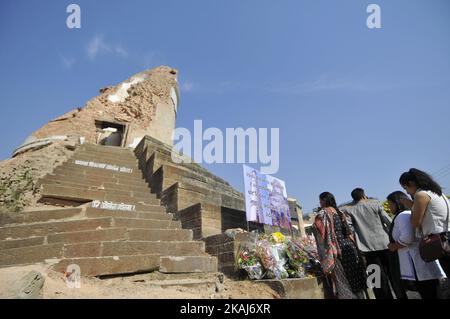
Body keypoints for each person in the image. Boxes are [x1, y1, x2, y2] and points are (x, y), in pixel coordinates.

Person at [386, 191, 446, 299]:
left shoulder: (403, 216)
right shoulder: (409, 213)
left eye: (390, 204)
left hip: (415, 261)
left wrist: (394, 246)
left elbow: (408, 237)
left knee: (428, 291)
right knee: (432, 289)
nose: (389, 207)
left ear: (396, 203)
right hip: (422, 258)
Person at [341, 188, 396, 299]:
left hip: (367, 248)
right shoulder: (375, 204)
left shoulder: (350, 210)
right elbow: (388, 222)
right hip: (385, 244)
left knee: (376, 279)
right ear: (364, 195)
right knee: (393, 274)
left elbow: (350, 228)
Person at [313, 192, 367, 299]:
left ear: (324, 200)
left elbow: (319, 230)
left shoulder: (324, 213)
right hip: (350, 247)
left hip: (338, 250)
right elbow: (349, 231)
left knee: (342, 280)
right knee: (354, 277)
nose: (319, 202)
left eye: (320, 200)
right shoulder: (340, 212)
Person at [399, 168, 450, 278]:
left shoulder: (420, 195)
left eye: (405, 188)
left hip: (442, 242)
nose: (407, 192)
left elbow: (415, 223)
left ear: (411, 183)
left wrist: (412, 208)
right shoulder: (437, 193)